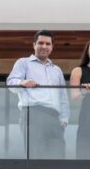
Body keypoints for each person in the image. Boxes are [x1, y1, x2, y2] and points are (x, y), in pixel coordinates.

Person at [6, 30, 70, 159]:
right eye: (40, 43)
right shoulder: (23, 63)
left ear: (52, 47)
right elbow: (10, 83)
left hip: (54, 118)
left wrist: (64, 120)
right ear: (34, 45)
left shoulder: (56, 70)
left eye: (48, 44)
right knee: (36, 158)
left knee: (58, 159)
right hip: (33, 114)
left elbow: (63, 97)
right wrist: (23, 82)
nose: (44, 46)